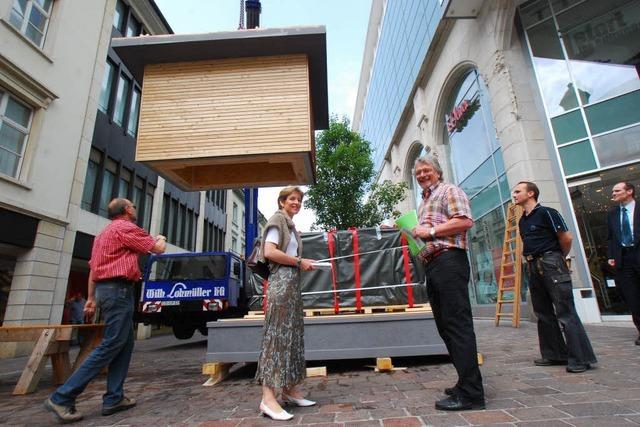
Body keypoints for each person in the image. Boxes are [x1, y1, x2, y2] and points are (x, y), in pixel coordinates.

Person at [45, 198, 166, 424]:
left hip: (105, 290)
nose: (135, 209)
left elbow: (93, 269)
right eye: (134, 206)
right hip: (119, 290)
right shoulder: (126, 228)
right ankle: (62, 397)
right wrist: (161, 237)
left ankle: (114, 398)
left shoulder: (103, 234)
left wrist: (91, 298)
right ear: (128, 210)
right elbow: (157, 249)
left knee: (124, 343)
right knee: (111, 343)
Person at [410, 156, 485, 411]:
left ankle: (472, 394)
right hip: (434, 264)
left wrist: (429, 232)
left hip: (449, 262)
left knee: (457, 326)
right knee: (446, 327)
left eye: (426, 170)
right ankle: (465, 383)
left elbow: (464, 221)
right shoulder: (425, 201)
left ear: (438, 172)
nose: (422, 175)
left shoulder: (448, 190)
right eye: (418, 172)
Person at [513, 181, 597, 373]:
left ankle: (581, 359)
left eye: (518, 191)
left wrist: (559, 258)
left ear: (531, 193)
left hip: (551, 262)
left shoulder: (548, 213)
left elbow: (566, 238)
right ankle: (554, 354)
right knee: (543, 313)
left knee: (565, 312)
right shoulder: (523, 220)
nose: (514, 195)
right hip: (533, 265)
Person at [255, 186, 316, 421]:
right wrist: (299, 261)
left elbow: (291, 258)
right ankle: (268, 399)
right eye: (292, 199)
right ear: (281, 202)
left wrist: (302, 262)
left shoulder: (289, 224)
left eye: (299, 200)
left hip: (291, 286)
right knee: (277, 338)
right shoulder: (277, 220)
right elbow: (269, 252)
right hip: (281, 286)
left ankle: (289, 390)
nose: (296, 202)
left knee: (291, 337)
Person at [607, 182, 640, 345]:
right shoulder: (612, 214)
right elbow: (611, 237)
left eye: (617, 190)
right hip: (624, 259)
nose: (613, 193)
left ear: (629, 191)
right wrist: (611, 255)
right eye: (613, 191)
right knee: (632, 295)